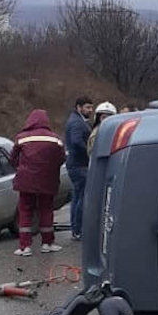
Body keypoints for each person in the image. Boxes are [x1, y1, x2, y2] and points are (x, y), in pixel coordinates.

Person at [11, 109, 66, 256]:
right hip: (47, 181)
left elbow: (13, 159)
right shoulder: (56, 139)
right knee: (46, 210)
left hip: (26, 181)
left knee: (25, 211)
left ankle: (25, 246)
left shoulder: (21, 138)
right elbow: (61, 159)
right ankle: (47, 243)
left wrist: (22, 169)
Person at [65, 96, 94, 241]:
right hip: (79, 165)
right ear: (79, 107)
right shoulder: (77, 123)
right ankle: (78, 230)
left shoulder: (76, 120)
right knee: (82, 198)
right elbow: (76, 142)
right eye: (88, 107)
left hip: (75, 165)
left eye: (91, 107)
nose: (90, 110)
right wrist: (90, 152)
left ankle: (76, 229)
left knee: (77, 197)